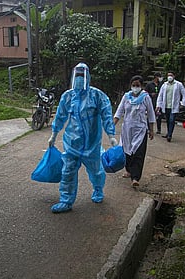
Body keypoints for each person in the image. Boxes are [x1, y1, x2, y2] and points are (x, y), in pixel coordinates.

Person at [47, 63, 117, 213]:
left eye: (82, 76)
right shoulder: (68, 96)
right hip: (72, 144)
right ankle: (66, 201)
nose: (79, 79)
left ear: (88, 77)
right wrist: (54, 135)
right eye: (77, 76)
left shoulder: (97, 95)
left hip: (91, 145)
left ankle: (98, 189)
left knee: (96, 171)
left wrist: (111, 135)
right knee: (68, 172)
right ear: (73, 77)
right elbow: (60, 116)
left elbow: (106, 115)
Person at [113, 75, 155, 187]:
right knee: (126, 151)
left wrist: (151, 130)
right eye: (133, 85)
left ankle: (135, 177)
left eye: (137, 85)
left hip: (140, 130)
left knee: (138, 153)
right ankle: (128, 170)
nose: (135, 87)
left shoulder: (145, 98)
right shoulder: (126, 97)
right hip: (127, 129)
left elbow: (151, 114)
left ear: (141, 86)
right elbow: (119, 112)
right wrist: (112, 125)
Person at [156, 71, 185, 142]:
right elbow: (160, 95)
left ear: (174, 76)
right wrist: (158, 105)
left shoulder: (178, 84)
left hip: (174, 106)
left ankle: (169, 135)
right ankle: (168, 132)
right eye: (168, 75)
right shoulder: (164, 85)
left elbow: (184, 94)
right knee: (168, 120)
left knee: (172, 120)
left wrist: (183, 103)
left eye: (171, 75)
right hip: (166, 106)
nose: (169, 77)